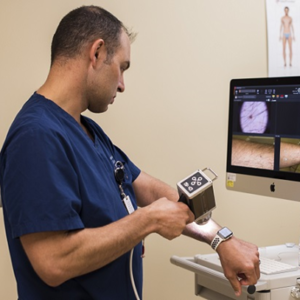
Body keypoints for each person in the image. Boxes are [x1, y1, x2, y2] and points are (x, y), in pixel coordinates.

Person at [0, 5, 260, 300]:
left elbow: (148, 189)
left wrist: (222, 239)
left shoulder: (87, 130)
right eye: (122, 67)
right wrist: (146, 221)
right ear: (97, 53)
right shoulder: (36, 137)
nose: (122, 85)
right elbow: (53, 261)